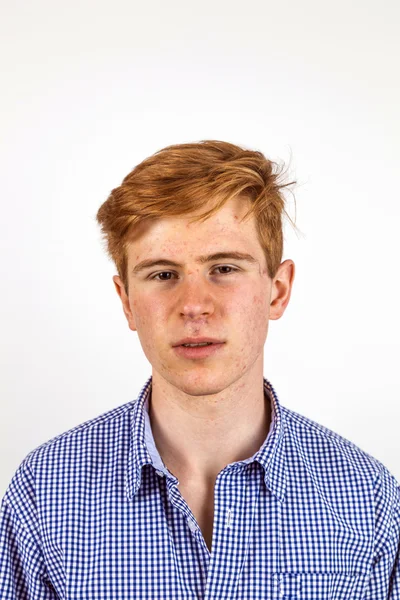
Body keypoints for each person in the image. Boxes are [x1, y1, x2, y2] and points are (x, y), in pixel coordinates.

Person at [0, 140, 399, 599]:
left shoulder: (366, 498)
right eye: (162, 274)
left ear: (278, 291)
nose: (193, 305)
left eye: (224, 268)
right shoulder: (45, 490)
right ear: (127, 301)